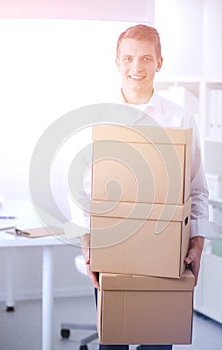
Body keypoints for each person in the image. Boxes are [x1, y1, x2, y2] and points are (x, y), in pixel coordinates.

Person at [69, 24, 215, 350]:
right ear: (117, 62)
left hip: (165, 249)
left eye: (146, 58)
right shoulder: (98, 118)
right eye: (129, 58)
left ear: (159, 62)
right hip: (113, 245)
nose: (137, 67)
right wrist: (86, 243)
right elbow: (80, 189)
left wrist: (198, 240)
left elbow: (196, 188)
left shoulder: (179, 119)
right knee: (113, 343)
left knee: (158, 343)